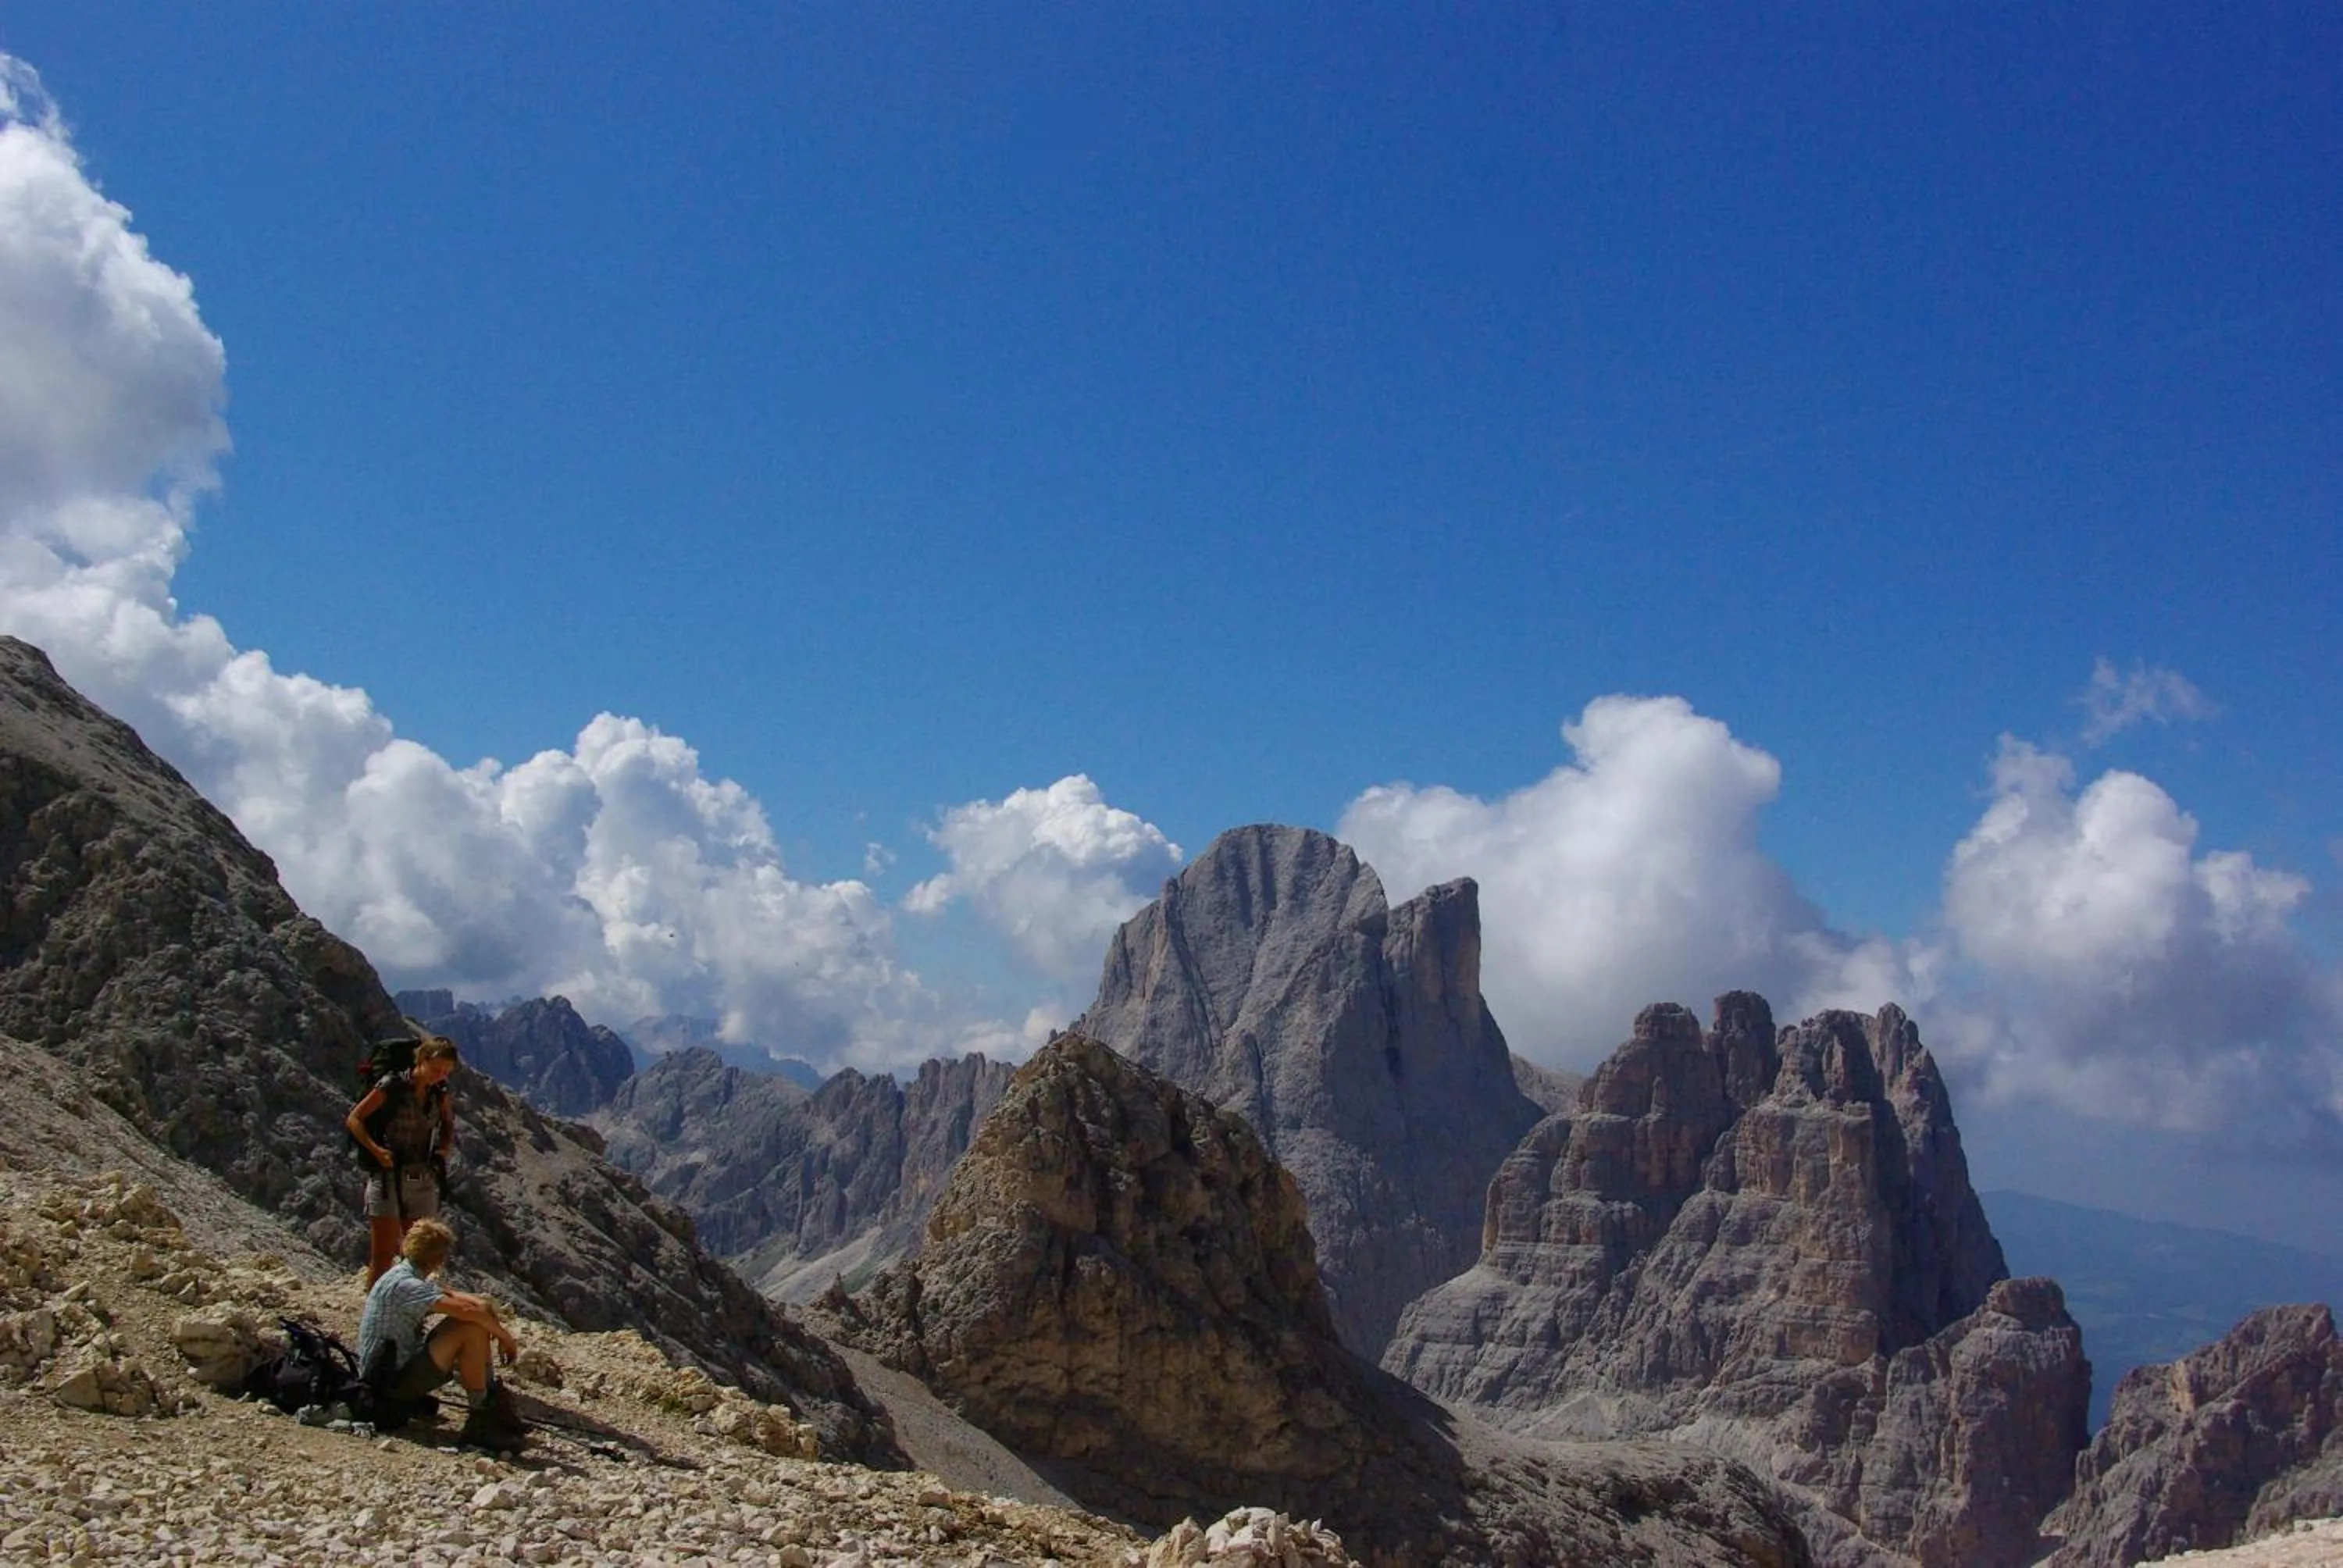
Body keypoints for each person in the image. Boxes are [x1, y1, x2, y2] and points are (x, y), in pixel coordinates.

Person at [355, 1217, 526, 1451]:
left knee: (474, 1320)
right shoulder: (407, 1286)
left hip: (386, 1374)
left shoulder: (401, 1276)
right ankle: (482, 1414)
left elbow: (460, 1299)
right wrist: (506, 1339)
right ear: (438, 1259)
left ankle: (490, 1405)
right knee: (470, 1328)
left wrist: (484, 1306)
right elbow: (467, 1312)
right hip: (388, 1384)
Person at [346, 1035, 460, 1285]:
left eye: (445, 1071)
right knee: (383, 1255)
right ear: (421, 1059)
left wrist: (443, 1147)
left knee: (419, 1255)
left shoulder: (439, 1092)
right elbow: (355, 1119)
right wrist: (376, 1150)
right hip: (386, 1178)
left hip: (422, 1179)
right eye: (436, 1068)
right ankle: (376, 1314)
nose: (440, 1075)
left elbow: (449, 1124)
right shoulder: (392, 1086)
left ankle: (409, 1314)